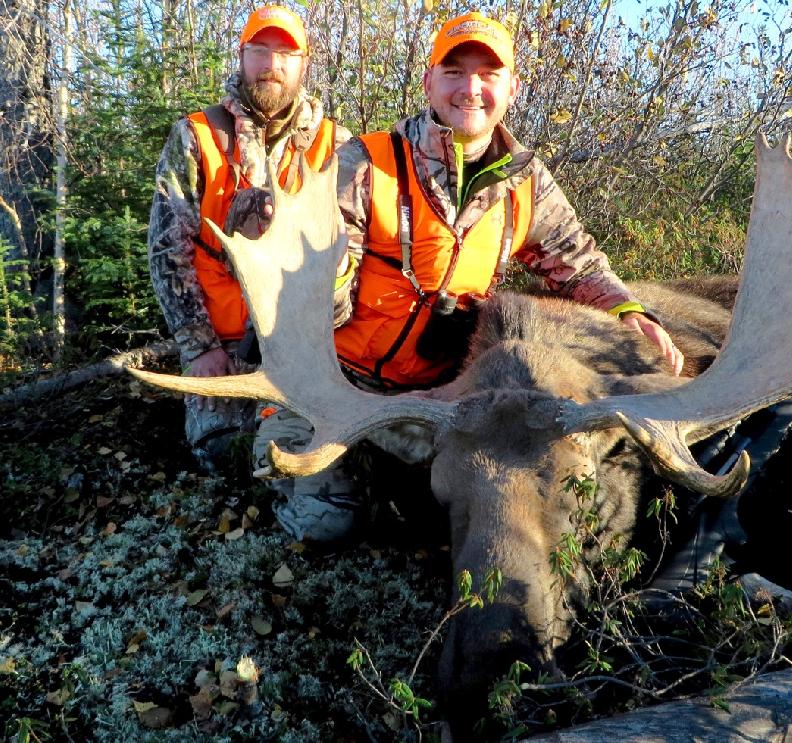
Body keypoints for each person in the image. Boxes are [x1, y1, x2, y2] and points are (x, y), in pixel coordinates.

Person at [258, 11, 684, 543]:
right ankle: (288, 445)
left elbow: (577, 261)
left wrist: (629, 311)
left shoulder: (524, 180)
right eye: (455, 72)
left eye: (488, 73)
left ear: (512, 87)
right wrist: (331, 277)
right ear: (429, 82)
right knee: (331, 523)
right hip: (337, 389)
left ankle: (385, 475)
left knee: (479, 506)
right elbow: (319, 301)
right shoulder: (364, 163)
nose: (471, 89)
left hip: (444, 400)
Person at [148, 5, 351, 473]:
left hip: (305, 349)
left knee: (305, 457)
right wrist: (199, 345)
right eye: (260, 50)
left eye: (286, 53)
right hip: (223, 345)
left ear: (304, 63)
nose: (271, 64)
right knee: (221, 456)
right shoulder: (198, 136)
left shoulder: (336, 146)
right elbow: (167, 252)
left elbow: (348, 261)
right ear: (241, 56)